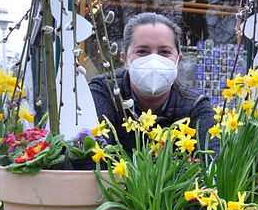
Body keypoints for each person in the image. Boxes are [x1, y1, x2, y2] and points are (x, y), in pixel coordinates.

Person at [89, 12, 217, 153]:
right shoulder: (104, 91)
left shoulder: (195, 105)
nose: (154, 60)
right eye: (142, 51)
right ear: (125, 59)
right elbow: (91, 158)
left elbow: (212, 162)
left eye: (164, 52)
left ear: (178, 60)